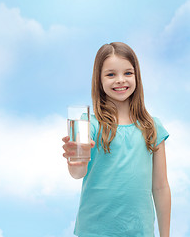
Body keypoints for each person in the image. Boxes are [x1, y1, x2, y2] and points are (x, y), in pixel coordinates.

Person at [62, 42, 171, 237]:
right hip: (94, 231)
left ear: (137, 75)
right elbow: (77, 173)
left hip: (140, 232)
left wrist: (165, 235)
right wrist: (76, 158)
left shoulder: (152, 127)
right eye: (111, 74)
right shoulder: (89, 125)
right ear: (99, 80)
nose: (120, 80)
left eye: (128, 73)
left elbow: (161, 187)